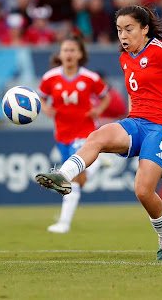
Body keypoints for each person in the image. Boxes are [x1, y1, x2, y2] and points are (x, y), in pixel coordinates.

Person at [35, 5, 162, 260]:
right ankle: (64, 175)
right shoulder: (125, 58)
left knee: (143, 191)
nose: (123, 36)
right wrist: (129, 116)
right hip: (136, 122)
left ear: (144, 29)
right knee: (98, 136)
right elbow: (135, 93)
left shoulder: (160, 50)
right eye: (118, 30)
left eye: (128, 29)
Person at [38, 36, 111, 234]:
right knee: (80, 181)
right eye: (65, 50)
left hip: (85, 134)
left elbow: (106, 96)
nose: (69, 54)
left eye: (72, 50)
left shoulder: (90, 78)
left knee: (71, 179)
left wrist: (98, 110)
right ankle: (97, 163)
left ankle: (63, 223)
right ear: (60, 54)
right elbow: (42, 98)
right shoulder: (50, 78)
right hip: (62, 135)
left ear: (80, 54)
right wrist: (45, 108)